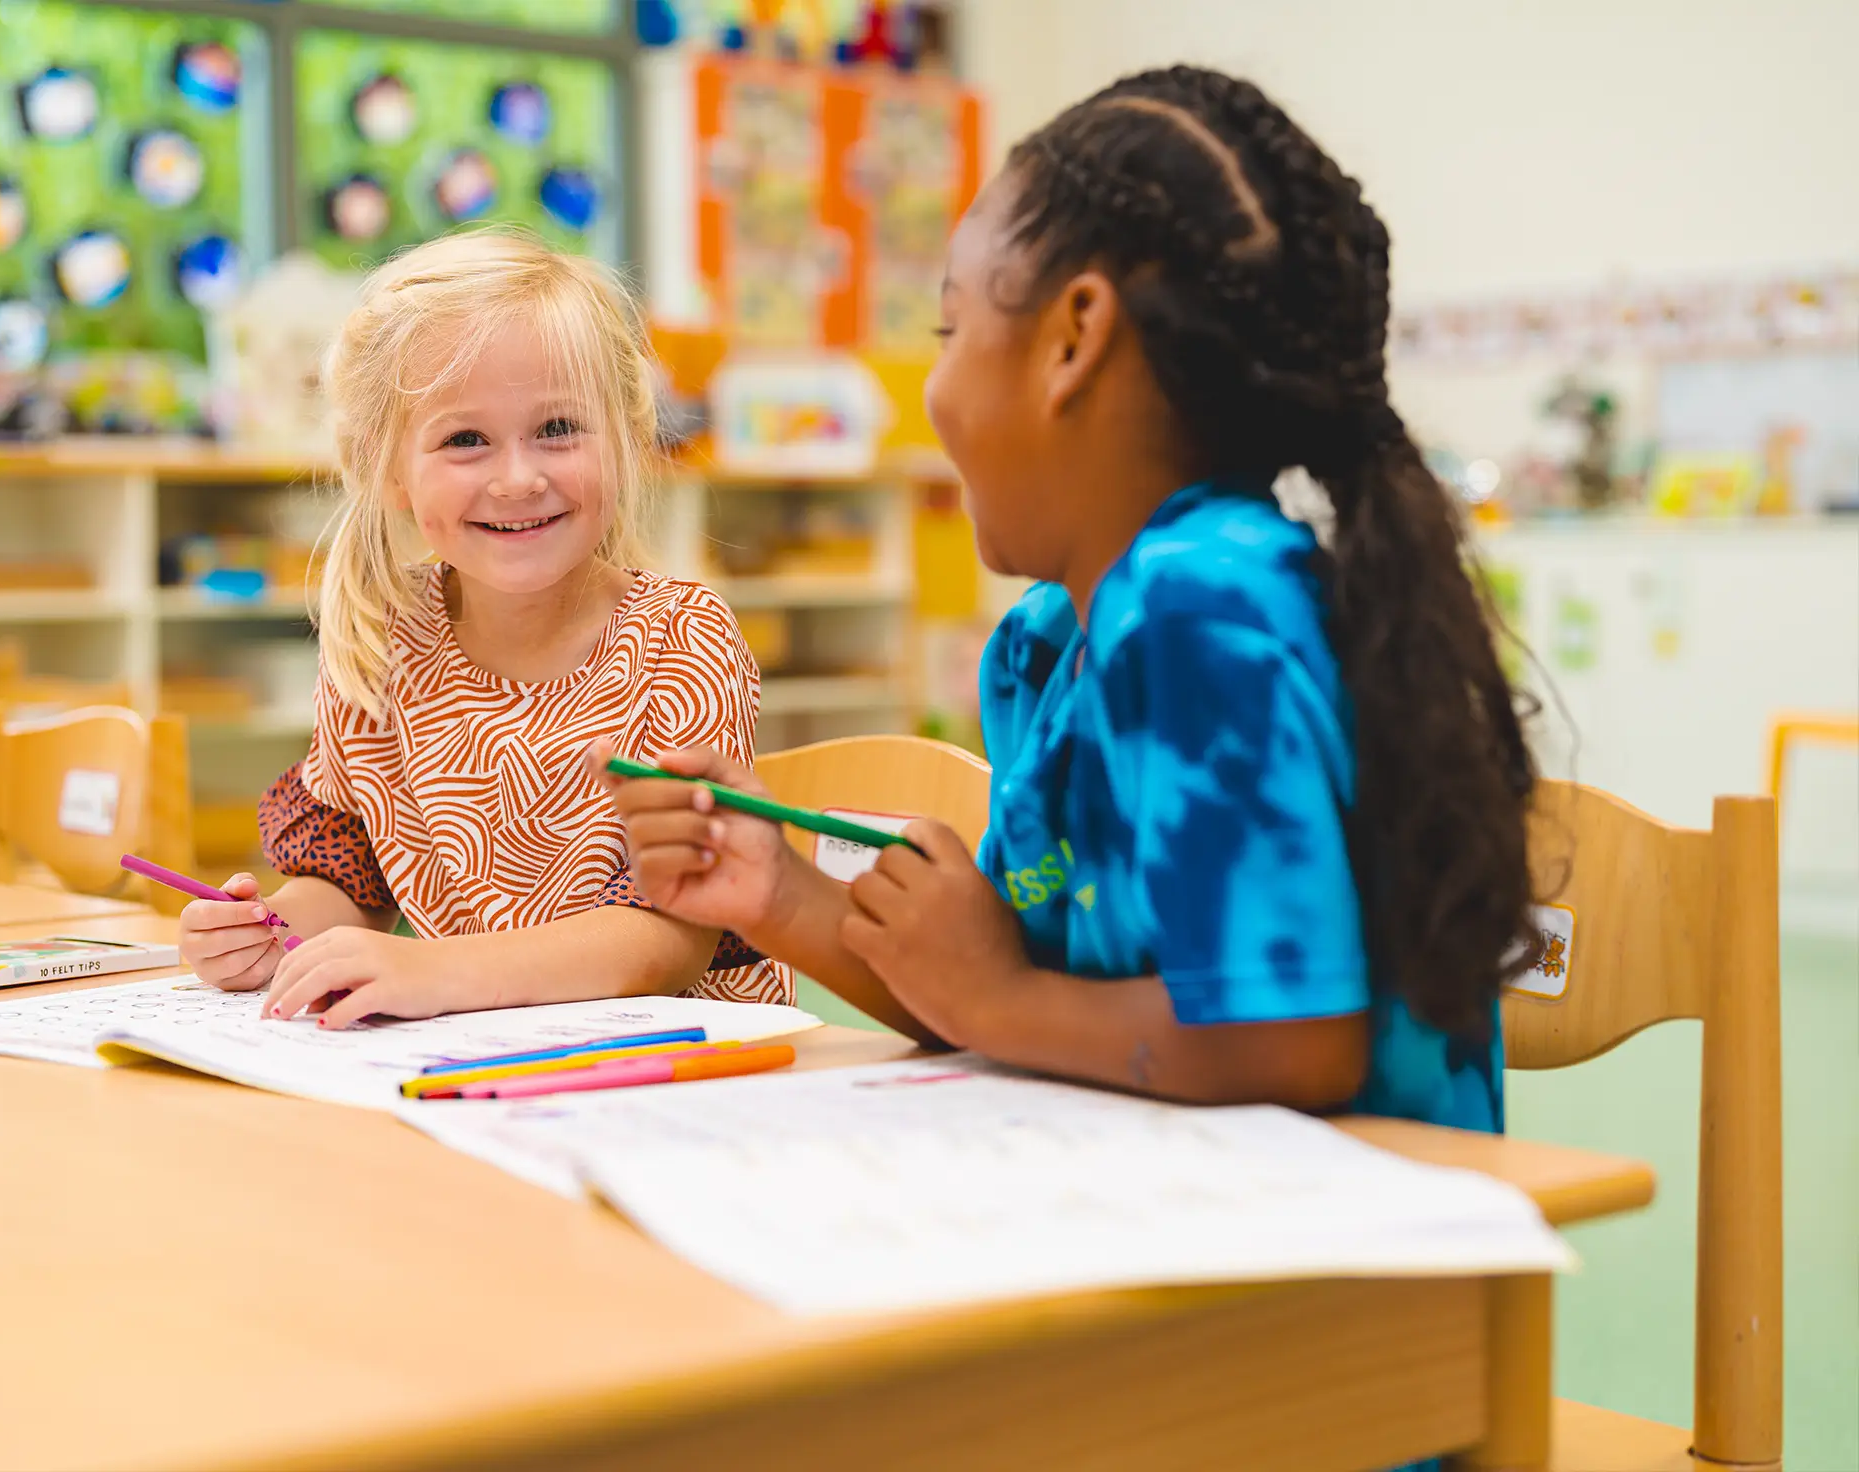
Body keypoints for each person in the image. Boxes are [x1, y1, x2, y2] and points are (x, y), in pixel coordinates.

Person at [600, 65, 1539, 1134]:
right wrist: (778, 895)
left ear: (1071, 339)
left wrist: (999, 995)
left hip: (1354, 1256)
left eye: (950, 332)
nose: (935, 390)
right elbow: (1011, 1002)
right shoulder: (1057, 644)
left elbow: (1290, 1043)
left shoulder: (1201, 609)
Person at [177, 230, 788, 1025]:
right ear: (384, 466)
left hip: (678, 1068)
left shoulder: (681, 640)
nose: (519, 477)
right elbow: (353, 879)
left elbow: (667, 939)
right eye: (466, 440)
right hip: (465, 1062)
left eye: (559, 429)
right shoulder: (385, 639)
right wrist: (271, 935)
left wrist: (437, 973)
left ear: (628, 437)